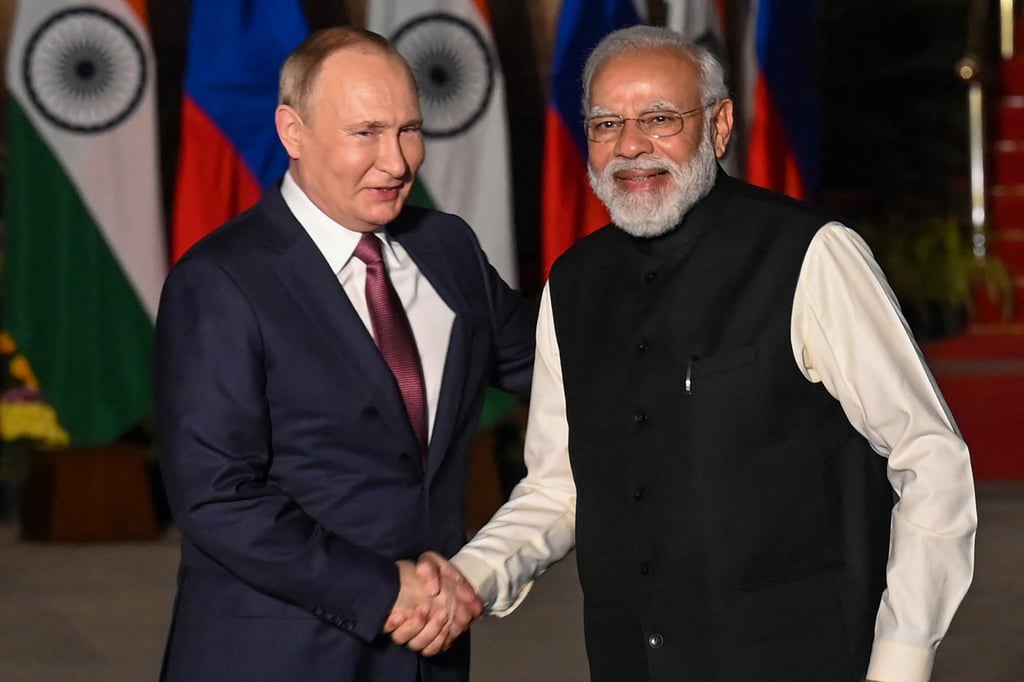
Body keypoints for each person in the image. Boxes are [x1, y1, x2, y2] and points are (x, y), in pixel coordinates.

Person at [433, 25, 976, 682]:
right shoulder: (570, 285)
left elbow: (931, 459)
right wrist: (468, 578)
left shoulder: (810, 255)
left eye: (660, 119)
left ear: (718, 127)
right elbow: (560, 486)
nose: (631, 146)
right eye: (606, 124)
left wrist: (902, 658)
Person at [154, 27, 534, 682]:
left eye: (409, 130)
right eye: (366, 132)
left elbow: (555, 368)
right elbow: (217, 496)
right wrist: (385, 590)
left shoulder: (447, 248)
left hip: (429, 655)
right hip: (276, 656)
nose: (396, 162)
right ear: (292, 131)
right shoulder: (220, 281)